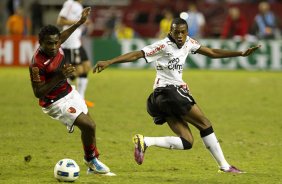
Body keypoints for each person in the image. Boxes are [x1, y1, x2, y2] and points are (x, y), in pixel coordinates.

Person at [93, 18, 260, 173]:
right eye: (176, 32)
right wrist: (110, 62)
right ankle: (225, 166)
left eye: (182, 32)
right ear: (170, 32)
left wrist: (240, 53)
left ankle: (146, 141)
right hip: (169, 93)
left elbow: (212, 52)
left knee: (187, 141)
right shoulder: (163, 45)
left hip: (162, 99)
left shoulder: (189, 43)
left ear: (187, 32)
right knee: (205, 124)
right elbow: (138, 54)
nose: (179, 36)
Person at [29, 7, 113, 175]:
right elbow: (38, 93)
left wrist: (80, 22)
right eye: (49, 43)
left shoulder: (58, 41)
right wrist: (59, 76)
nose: (54, 46)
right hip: (54, 102)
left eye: (56, 42)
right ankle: (91, 161)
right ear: (40, 43)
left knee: (89, 127)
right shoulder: (37, 64)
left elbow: (63, 35)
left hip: (68, 92)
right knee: (90, 125)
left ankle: (91, 161)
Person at [57, 0, 94, 108]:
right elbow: (60, 21)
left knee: (86, 67)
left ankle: (80, 98)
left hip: (76, 41)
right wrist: (80, 21)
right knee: (75, 71)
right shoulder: (70, 3)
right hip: (70, 42)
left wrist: (84, 23)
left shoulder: (78, 6)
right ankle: (64, 96)